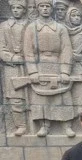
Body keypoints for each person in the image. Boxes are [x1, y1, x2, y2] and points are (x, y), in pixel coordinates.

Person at [23, 0, 75, 137]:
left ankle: (67, 125)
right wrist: (33, 71)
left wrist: (65, 71)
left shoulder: (60, 28)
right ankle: (44, 125)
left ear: (51, 9)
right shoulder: (31, 28)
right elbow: (28, 51)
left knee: (63, 96)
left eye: (47, 6)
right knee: (42, 97)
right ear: (38, 8)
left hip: (57, 63)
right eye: (42, 6)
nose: (45, 9)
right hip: (40, 65)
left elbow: (66, 50)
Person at [0, 0, 28, 136]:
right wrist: (12, 58)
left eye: (19, 8)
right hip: (11, 67)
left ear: (24, 10)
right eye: (14, 8)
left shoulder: (30, 25)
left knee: (33, 96)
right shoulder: (4, 26)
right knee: (15, 97)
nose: (16, 10)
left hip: (29, 65)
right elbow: (1, 48)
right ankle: (20, 125)